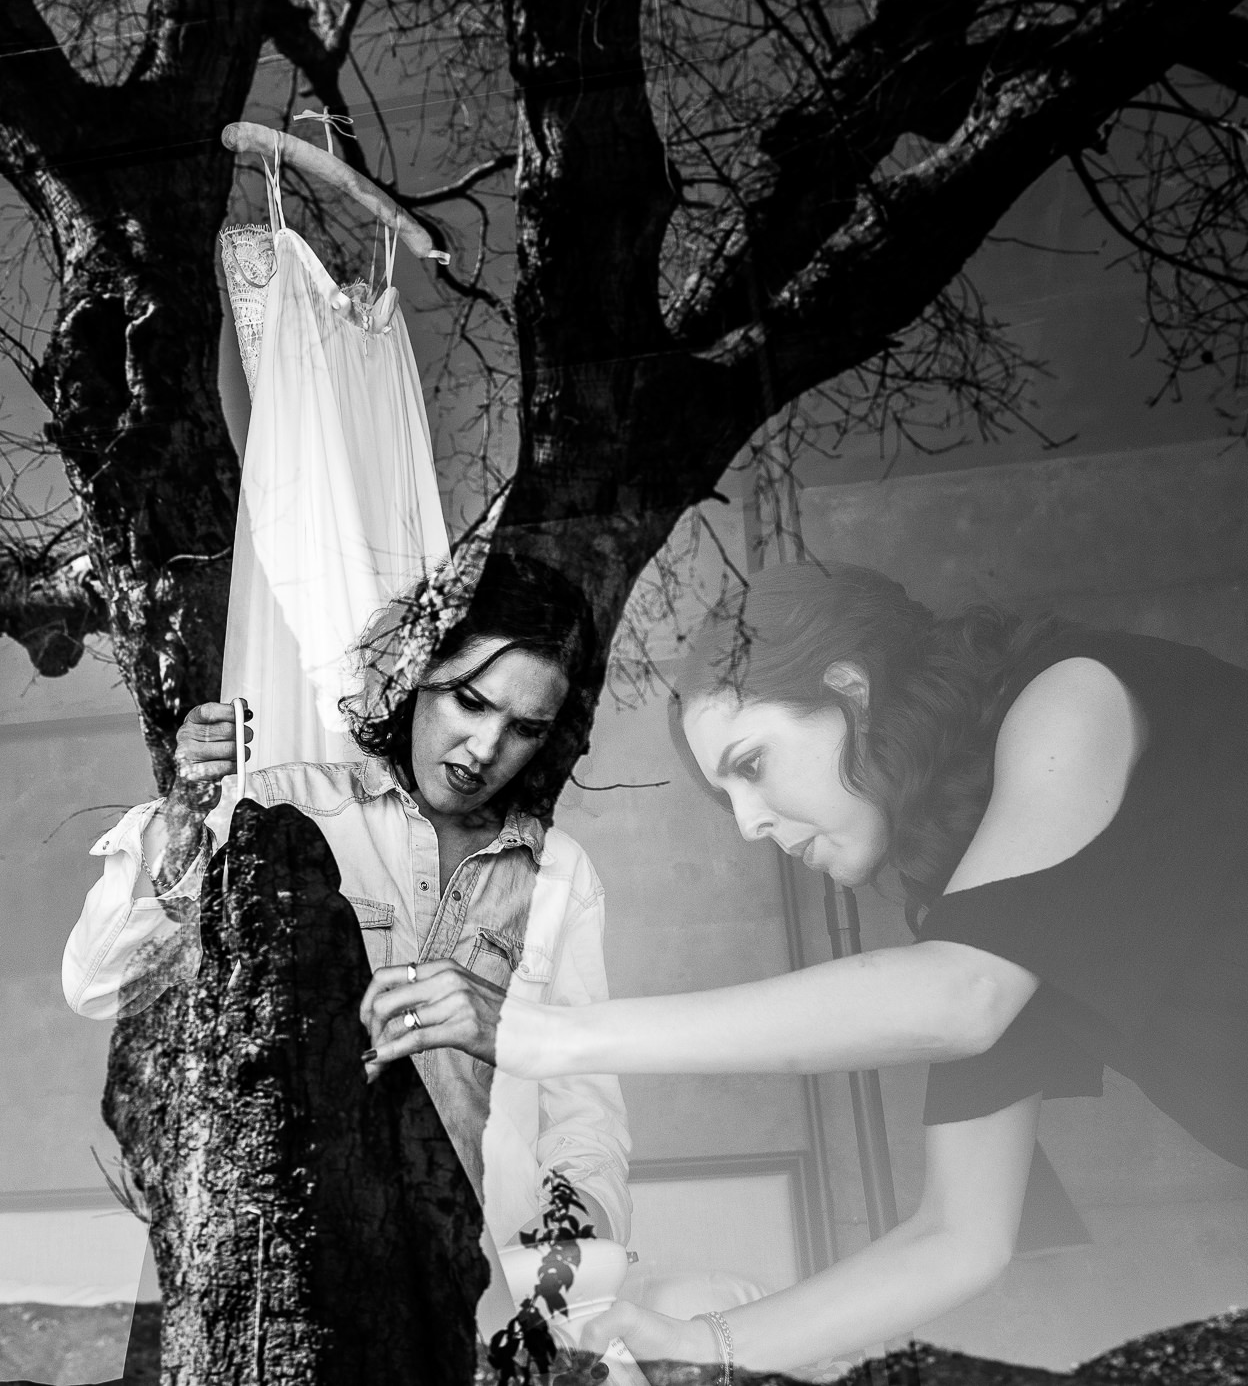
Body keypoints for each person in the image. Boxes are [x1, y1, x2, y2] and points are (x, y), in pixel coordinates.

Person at [363, 561, 1248, 1376]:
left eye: (751, 764)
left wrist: (546, 1035)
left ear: (849, 694)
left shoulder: (1072, 695)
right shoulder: (976, 908)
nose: (750, 823)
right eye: (728, 795)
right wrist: (699, 1341)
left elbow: (961, 997)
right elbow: (959, 1235)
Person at [61, 552, 634, 1331]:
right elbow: (100, 981)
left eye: (524, 728)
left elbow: (584, 1119)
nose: (483, 747)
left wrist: (555, 1276)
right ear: (416, 673)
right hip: (302, 1297)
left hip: (483, 1307)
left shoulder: (561, 876)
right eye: (470, 701)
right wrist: (186, 812)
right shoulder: (283, 808)